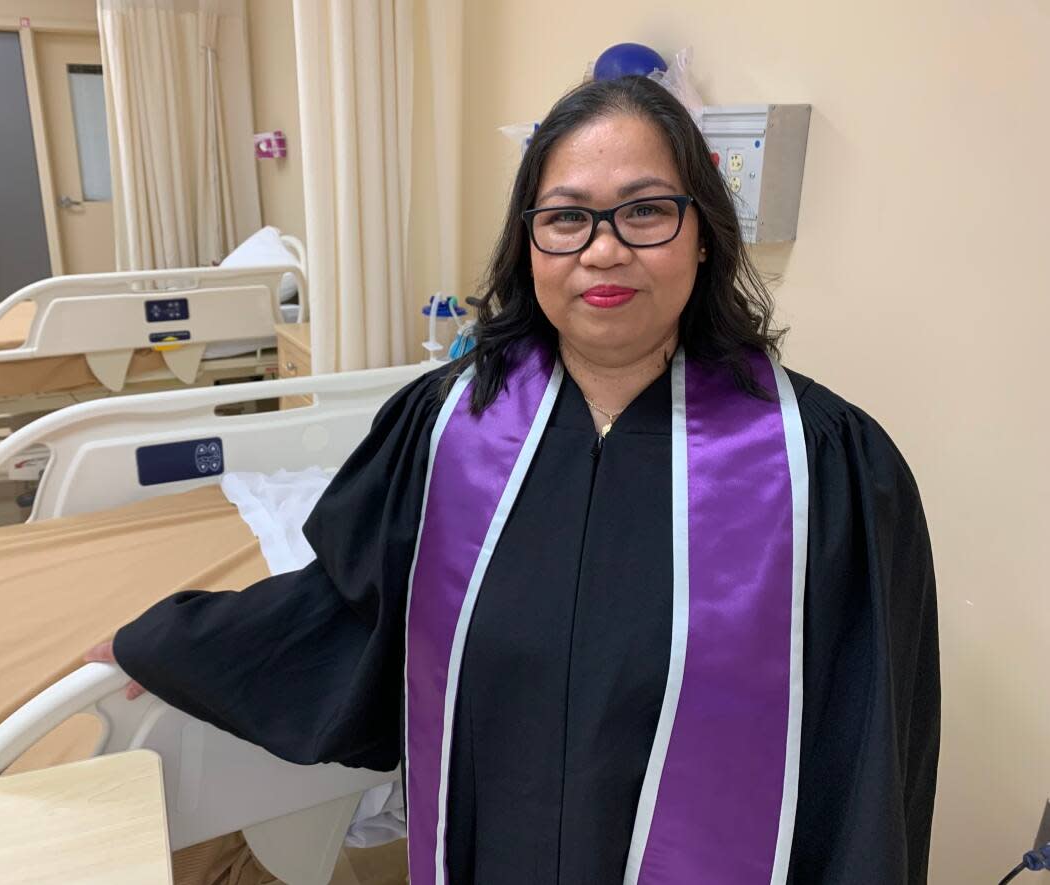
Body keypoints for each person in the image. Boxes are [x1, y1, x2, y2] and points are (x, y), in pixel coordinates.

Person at [89, 76, 939, 884]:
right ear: (530, 241)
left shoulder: (821, 468)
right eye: (567, 217)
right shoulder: (445, 429)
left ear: (704, 230)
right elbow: (353, 614)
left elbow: (863, 756)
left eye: (646, 211)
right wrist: (170, 642)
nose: (603, 249)